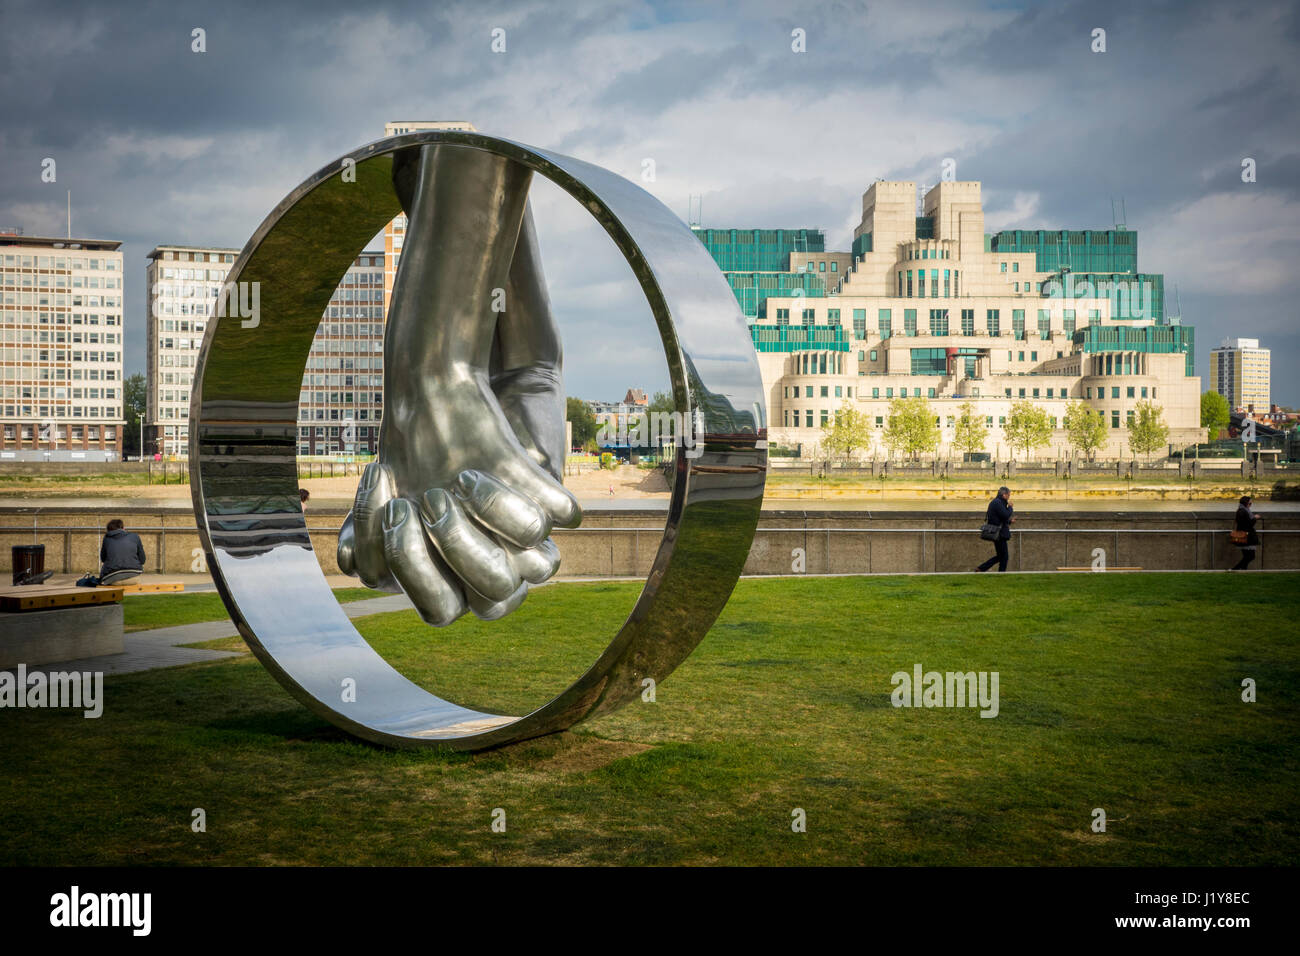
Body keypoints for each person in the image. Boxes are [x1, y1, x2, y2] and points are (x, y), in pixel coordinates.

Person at [77, 519, 147, 586]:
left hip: (113, 579)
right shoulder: (135, 536)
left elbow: (103, 559)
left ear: (109, 530)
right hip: (133, 577)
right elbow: (142, 560)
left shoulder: (107, 538)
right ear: (123, 528)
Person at [976, 486, 1015, 573]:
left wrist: (1009, 521)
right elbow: (1005, 515)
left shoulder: (996, 502)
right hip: (999, 533)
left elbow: (999, 518)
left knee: (1001, 556)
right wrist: (1010, 507)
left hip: (997, 532)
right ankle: (995, 572)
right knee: (1004, 556)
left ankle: (982, 569)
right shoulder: (998, 503)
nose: (1009, 497)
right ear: (1004, 495)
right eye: (1008, 495)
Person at [1231, 495, 1260, 570]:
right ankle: (1235, 569)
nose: (1250, 505)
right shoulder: (1243, 511)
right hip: (1246, 536)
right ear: (1245, 503)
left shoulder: (1242, 510)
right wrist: (1255, 518)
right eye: (1249, 503)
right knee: (1251, 556)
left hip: (1245, 535)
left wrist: (1252, 518)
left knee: (1247, 556)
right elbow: (1248, 524)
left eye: (1251, 504)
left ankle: (1243, 571)